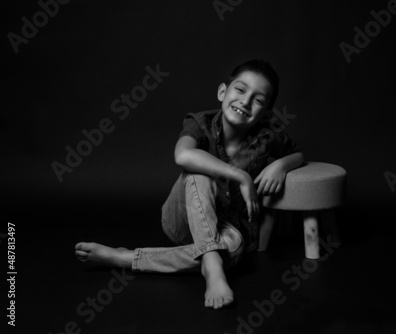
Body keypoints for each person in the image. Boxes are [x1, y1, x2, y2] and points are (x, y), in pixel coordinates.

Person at [75, 59, 304, 309]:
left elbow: (298, 154)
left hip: (229, 229)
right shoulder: (200, 122)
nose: (246, 102)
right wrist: (242, 176)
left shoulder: (267, 137)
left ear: (266, 113)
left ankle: (125, 257)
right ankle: (213, 267)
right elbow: (182, 156)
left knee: (234, 247)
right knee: (198, 173)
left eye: (258, 100)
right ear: (222, 92)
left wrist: (280, 166)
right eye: (240, 89)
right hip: (181, 221)